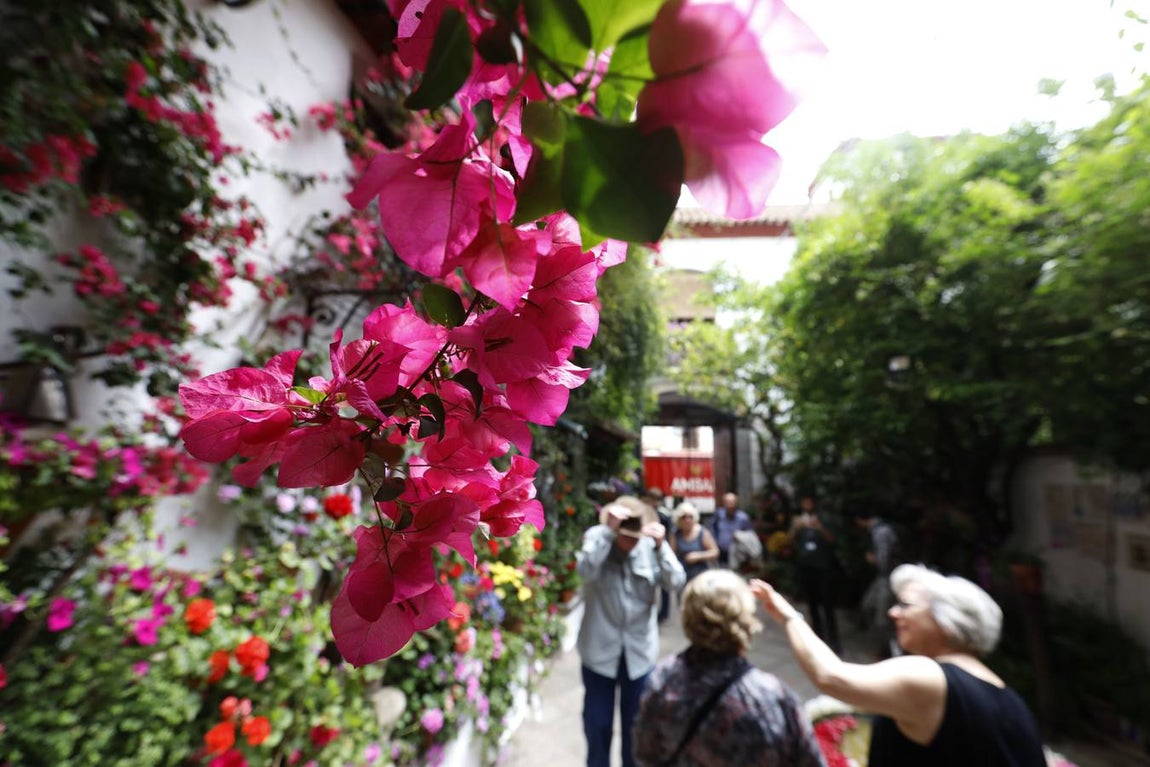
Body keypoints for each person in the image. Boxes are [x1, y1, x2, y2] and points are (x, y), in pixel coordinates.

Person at [750, 564, 1048, 767]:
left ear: (947, 621)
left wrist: (790, 617)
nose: (893, 613)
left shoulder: (929, 676)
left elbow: (831, 676)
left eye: (906, 605)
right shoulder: (1002, 693)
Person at [633, 569, 827, 767]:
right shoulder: (773, 699)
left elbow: (644, 752)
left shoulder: (664, 680)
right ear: (747, 622)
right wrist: (790, 618)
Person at [577, 495, 687, 767]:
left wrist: (662, 548)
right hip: (599, 653)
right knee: (598, 726)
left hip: (639, 656)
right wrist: (607, 532)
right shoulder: (598, 537)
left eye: (635, 536)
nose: (632, 542)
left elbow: (677, 581)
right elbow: (584, 572)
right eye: (626, 536)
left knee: (637, 730)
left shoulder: (651, 544)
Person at [789, 496, 840, 652]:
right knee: (811, 603)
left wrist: (819, 527)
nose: (806, 505)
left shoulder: (824, 519)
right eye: (804, 502)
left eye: (809, 502)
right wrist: (796, 528)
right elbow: (789, 540)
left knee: (827, 603)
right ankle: (818, 636)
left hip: (823, 566)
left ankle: (834, 640)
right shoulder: (798, 519)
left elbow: (833, 539)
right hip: (806, 566)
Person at [856, 513, 903, 658]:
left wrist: (873, 559)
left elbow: (883, 561)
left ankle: (892, 651)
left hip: (888, 577)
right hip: (883, 577)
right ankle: (886, 648)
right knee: (868, 606)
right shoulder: (881, 529)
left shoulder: (881, 532)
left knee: (882, 619)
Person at [670, 501, 720, 587]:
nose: (687, 520)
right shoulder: (675, 534)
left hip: (701, 576)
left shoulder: (702, 532)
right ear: (679, 519)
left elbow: (715, 551)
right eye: (684, 517)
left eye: (690, 517)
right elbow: (671, 555)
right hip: (683, 576)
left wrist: (698, 556)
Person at [643, 487, 674, 623]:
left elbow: (670, 534)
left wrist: (666, 549)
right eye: (652, 499)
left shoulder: (664, 515)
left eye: (657, 499)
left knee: (665, 583)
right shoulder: (643, 513)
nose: (654, 502)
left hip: (660, 549)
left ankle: (664, 613)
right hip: (646, 550)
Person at [710, 492, 753, 567]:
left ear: (736, 503)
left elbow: (750, 535)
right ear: (724, 503)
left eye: (732, 502)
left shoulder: (743, 518)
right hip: (721, 553)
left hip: (737, 554)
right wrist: (714, 542)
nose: (730, 505)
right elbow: (713, 528)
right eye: (727, 502)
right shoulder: (719, 514)